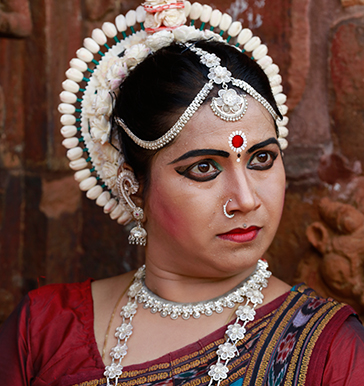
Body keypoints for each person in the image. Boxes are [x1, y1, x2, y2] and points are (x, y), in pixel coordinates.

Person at [1, 1, 364, 385]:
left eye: (261, 159)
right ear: (133, 186)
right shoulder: (43, 330)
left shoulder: (329, 351)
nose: (246, 200)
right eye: (204, 168)